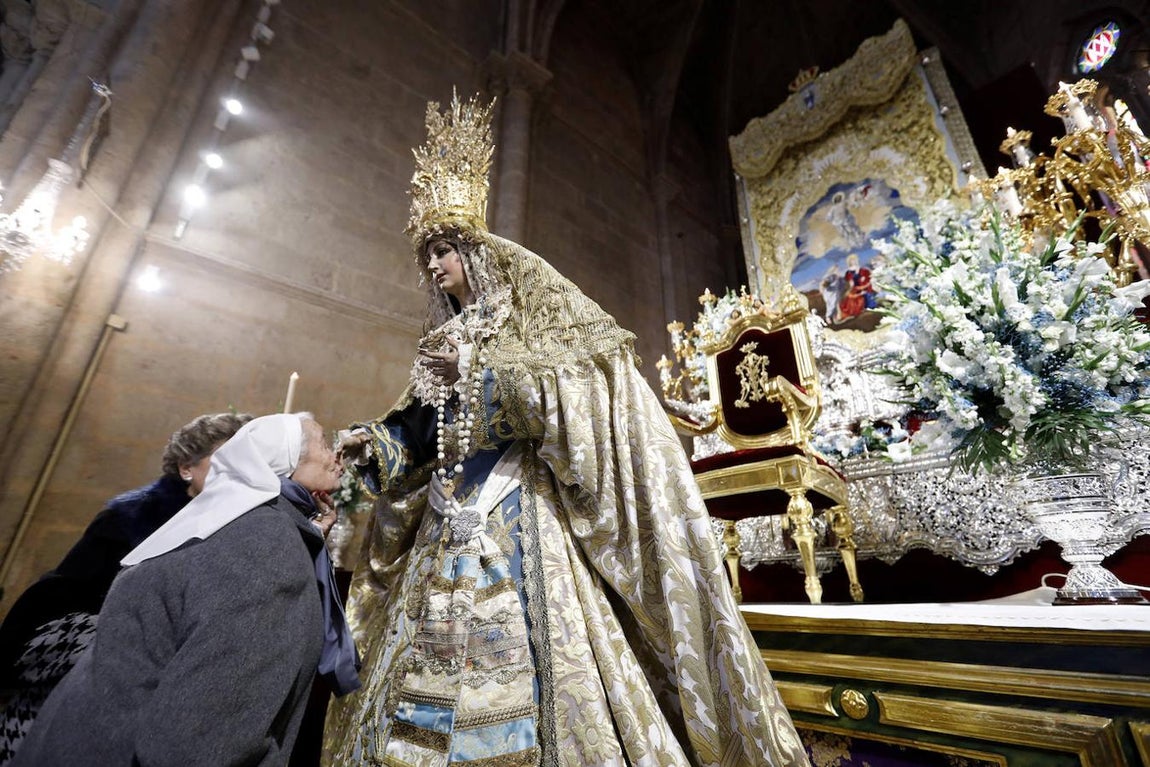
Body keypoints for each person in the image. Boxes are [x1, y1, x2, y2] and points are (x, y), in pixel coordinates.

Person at [323, 93, 809, 766]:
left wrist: (479, 369)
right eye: (425, 256)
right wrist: (372, 446)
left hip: (516, 513)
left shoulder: (527, 314)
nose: (433, 266)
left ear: (473, 248)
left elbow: (568, 397)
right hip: (444, 520)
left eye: (442, 250)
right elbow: (422, 424)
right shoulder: (441, 336)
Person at [11, 413, 359, 767]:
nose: (337, 454)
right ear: (286, 462)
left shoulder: (243, 525)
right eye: (323, 442)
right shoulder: (267, 546)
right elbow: (205, 743)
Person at [0, 411, 252, 765]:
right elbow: (61, 597)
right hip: (70, 681)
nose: (237, 471)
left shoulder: (232, 527)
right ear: (186, 468)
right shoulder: (133, 516)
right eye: (224, 460)